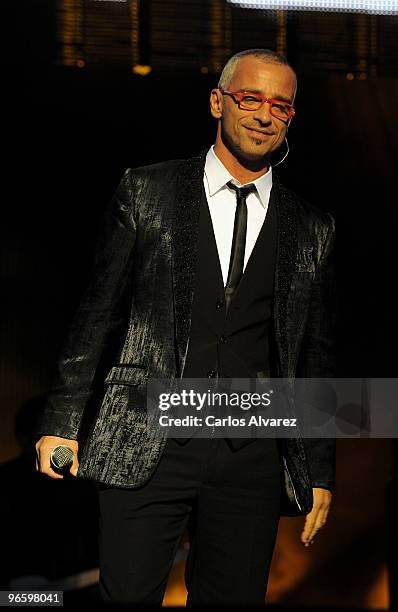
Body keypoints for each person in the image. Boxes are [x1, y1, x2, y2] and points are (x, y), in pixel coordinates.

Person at [34, 48, 336, 605]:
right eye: (250, 98)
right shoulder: (148, 191)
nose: (264, 115)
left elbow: (312, 352)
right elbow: (97, 311)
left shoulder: (312, 227)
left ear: (291, 117)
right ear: (218, 101)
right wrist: (62, 419)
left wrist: (318, 467)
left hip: (252, 452)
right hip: (148, 435)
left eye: (280, 106)